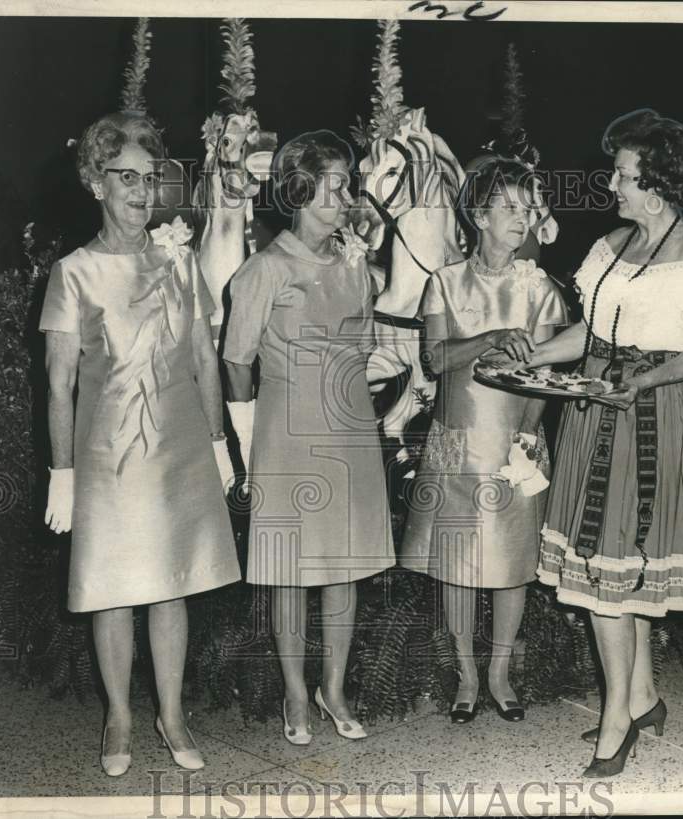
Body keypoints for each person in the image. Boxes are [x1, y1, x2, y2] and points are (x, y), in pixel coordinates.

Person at [531, 109, 683, 777]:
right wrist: (535, 354)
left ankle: (617, 715)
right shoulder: (610, 247)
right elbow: (591, 336)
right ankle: (644, 695)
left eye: (622, 174)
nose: (612, 185)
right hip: (598, 408)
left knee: (616, 566)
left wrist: (642, 379)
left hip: (651, 412)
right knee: (615, 560)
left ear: (656, 181)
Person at [40, 112, 241, 777]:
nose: (139, 191)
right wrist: (62, 474)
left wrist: (219, 443)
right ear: (95, 183)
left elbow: (207, 358)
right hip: (108, 459)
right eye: (124, 177)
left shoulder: (179, 259)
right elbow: (61, 383)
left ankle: (173, 713)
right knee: (113, 588)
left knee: (171, 584)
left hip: (181, 449)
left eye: (149, 178)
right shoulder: (74, 273)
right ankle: (120, 715)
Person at [222, 130, 395, 745]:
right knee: (290, 570)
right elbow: (237, 358)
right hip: (285, 435)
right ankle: (296, 693)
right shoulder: (265, 269)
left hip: (349, 431)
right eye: (334, 183)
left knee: (344, 568)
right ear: (298, 189)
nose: (346, 195)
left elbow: (368, 347)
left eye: (348, 182)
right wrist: (244, 435)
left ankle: (334, 687)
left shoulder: (355, 266)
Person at [400, 157, 568, 725]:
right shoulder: (444, 282)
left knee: (511, 560)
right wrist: (492, 336)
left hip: (513, 443)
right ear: (478, 214)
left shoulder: (539, 287)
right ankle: (467, 675)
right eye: (511, 208)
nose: (523, 219)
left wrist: (526, 436)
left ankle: (500, 672)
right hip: (457, 443)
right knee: (457, 561)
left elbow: (544, 373)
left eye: (529, 209)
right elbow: (436, 357)